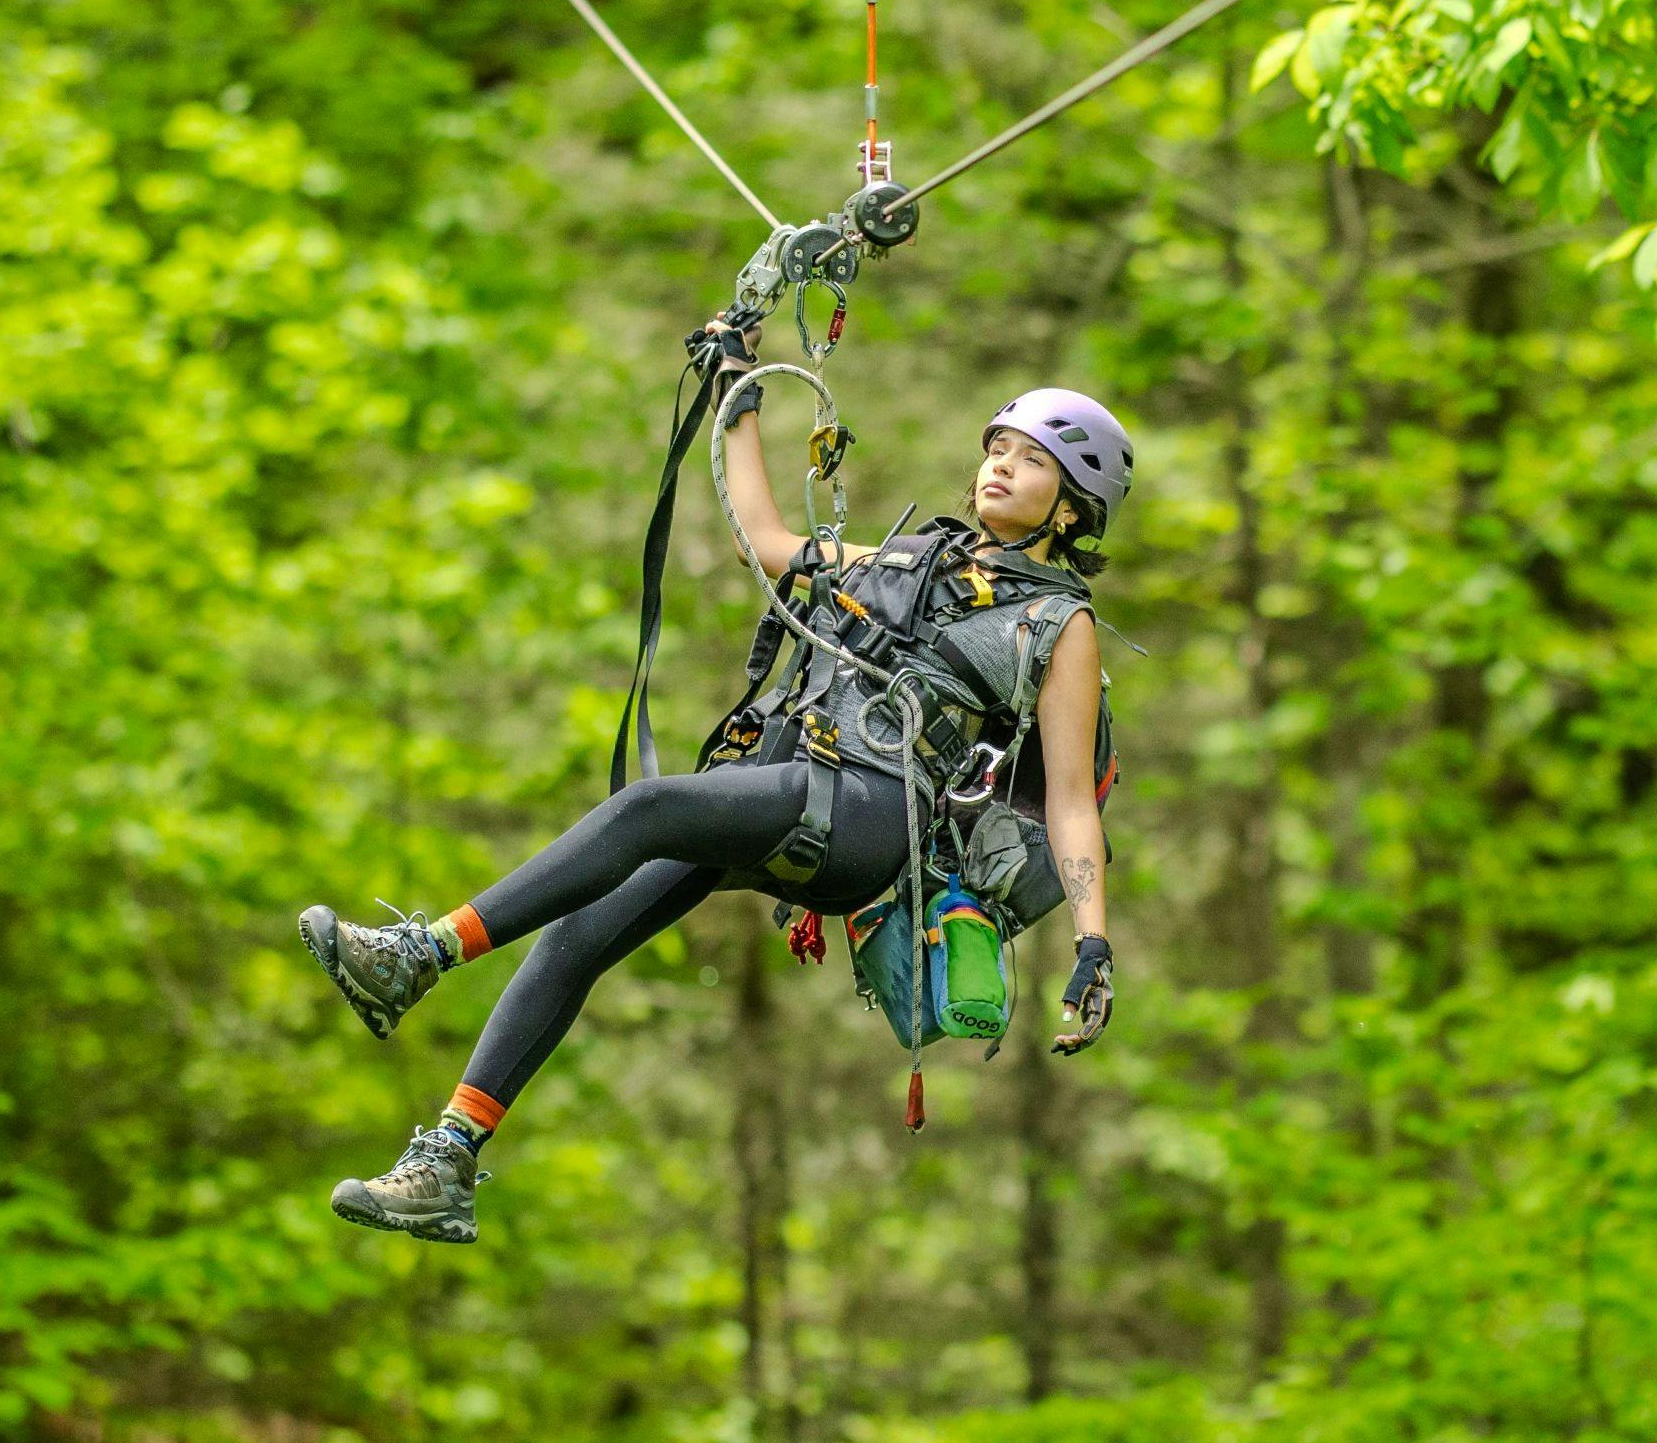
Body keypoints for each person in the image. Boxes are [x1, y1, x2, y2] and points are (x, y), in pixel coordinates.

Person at [298, 357, 1128, 1243]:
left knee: (651, 810)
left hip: (871, 816)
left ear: (1070, 508)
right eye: (997, 448)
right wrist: (740, 392)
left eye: (1031, 460)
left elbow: (1070, 802)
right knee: (583, 929)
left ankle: (421, 954)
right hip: (804, 783)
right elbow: (761, 540)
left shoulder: (1059, 625)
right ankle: (449, 1159)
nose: (1000, 465)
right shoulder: (912, 558)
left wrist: (1093, 946)